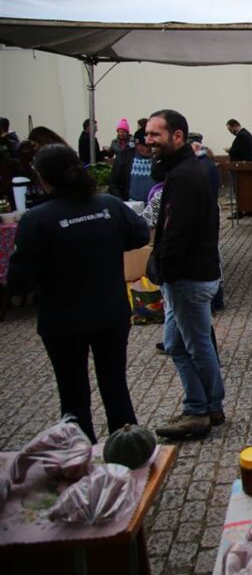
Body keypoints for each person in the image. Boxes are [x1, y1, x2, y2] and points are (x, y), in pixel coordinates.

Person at [7, 145, 150, 443]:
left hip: (63, 321)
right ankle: (128, 451)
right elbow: (139, 235)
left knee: (72, 393)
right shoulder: (108, 205)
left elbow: (19, 280)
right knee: (115, 385)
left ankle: (80, 455)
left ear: (43, 178)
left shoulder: (37, 219)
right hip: (110, 313)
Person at [146, 109, 225, 439]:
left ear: (177, 136)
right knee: (176, 344)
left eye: (155, 134)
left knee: (196, 345)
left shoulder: (185, 177)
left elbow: (177, 232)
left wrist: (165, 272)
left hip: (187, 278)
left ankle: (203, 409)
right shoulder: (183, 170)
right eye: (147, 133)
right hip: (187, 275)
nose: (148, 140)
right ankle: (203, 404)